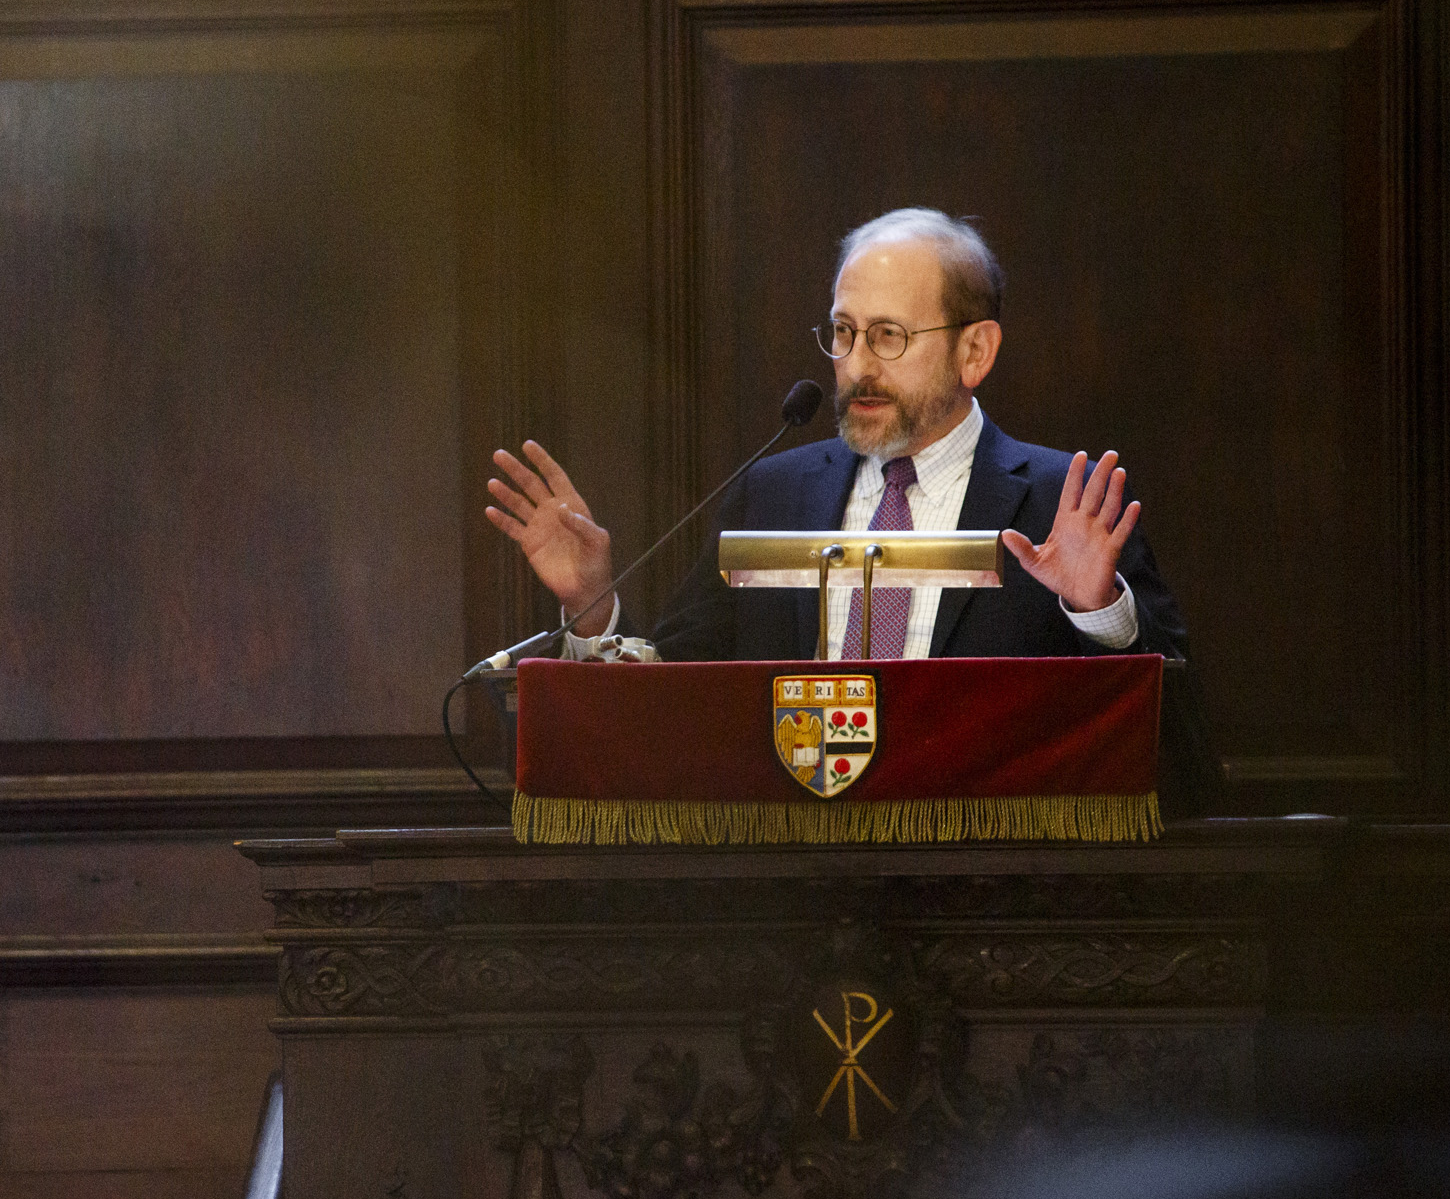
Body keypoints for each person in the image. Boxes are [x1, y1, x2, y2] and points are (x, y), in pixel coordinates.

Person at [483, 206, 1217, 807]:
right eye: (843, 332)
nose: (857, 363)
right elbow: (677, 705)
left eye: (889, 336)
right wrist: (594, 607)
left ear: (976, 352)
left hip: (990, 894)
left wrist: (1099, 614)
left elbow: (1180, 750)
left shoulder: (1063, 501)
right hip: (792, 897)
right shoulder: (771, 492)